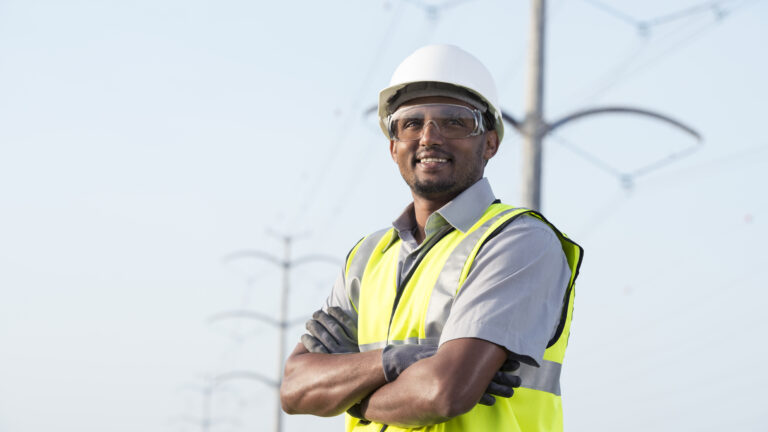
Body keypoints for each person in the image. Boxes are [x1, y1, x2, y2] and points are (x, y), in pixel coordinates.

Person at [280, 44, 583, 432]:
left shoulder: (518, 242)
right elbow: (295, 389)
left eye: (455, 121)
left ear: (490, 142)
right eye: (410, 123)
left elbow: (443, 391)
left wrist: (346, 395)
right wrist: (397, 361)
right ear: (393, 146)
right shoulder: (367, 257)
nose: (429, 137)